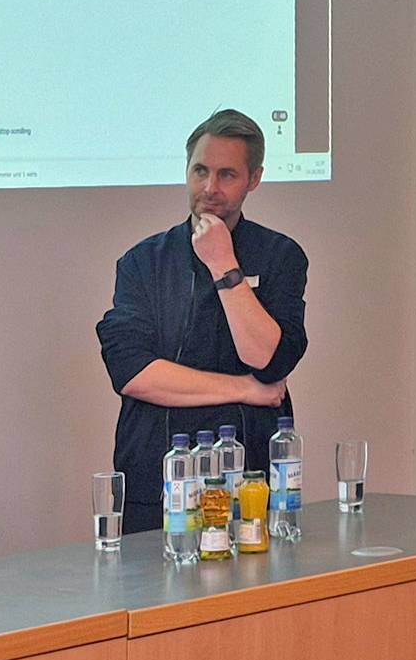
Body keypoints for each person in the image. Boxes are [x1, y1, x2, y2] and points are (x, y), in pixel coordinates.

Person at [96, 109, 309, 533]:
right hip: (155, 485)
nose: (209, 188)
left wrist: (224, 266)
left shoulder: (281, 257)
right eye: (200, 171)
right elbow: (134, 373)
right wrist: (246, 389)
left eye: (227, 175)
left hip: (249, 485)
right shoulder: (143, 262)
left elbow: (268, 359)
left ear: (254, 179)